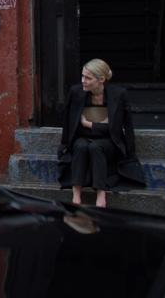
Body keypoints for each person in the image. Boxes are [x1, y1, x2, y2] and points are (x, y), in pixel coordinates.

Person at [57, 59, 145, 207]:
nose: (83, 81)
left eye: (88, 78)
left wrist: (89, 124)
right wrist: (64, 144)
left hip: (108, 140)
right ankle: (76, 195)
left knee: (95, 147)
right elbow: (69, 123)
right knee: (80, 146)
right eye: (82, 76)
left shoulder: (119, 94)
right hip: (83, 136)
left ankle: (101, 194)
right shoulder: (76, 92)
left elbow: (121, 127)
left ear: (101, 80)